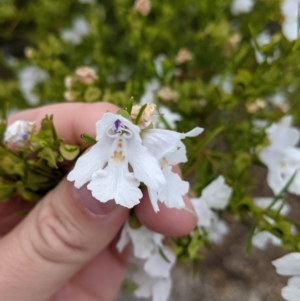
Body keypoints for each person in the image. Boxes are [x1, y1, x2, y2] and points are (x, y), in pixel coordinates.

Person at [0, 102, 197, 301]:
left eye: (128, 132)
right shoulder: (106, 142)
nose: (120, 138)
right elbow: (85, 168)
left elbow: (150, 171)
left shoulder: (135, 146)